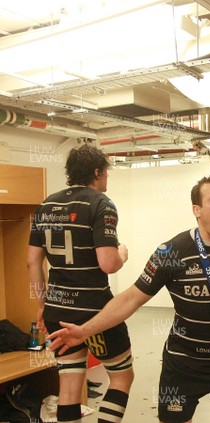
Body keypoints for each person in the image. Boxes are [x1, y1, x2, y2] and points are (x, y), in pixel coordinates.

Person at [48, 174, 210, 423]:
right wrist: (84, 331)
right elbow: (132, 298)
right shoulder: (171, 252)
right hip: (183, 365)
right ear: (196, 210)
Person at [28, 143, 132, 423]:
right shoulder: (101, 204)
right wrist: (122, 254)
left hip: (57, 310)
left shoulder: (45, 206)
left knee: (70, 384)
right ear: (96, 172)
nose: (107, 178)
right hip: (95, 312)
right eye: (106, 172)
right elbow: (108, 263)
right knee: (122, 376)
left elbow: (33, 261)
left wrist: (42, 304)